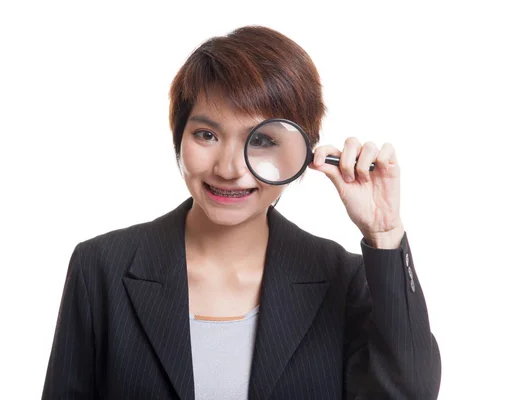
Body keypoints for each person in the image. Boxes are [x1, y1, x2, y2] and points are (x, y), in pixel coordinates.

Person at [41, 26, 442, 400]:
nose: (229, 169)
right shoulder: (100, 269)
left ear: (303, 152)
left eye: (263, 140)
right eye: (206, 135)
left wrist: (385, 233)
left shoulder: (345, 280)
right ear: (178, 137)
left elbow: (408, 393)